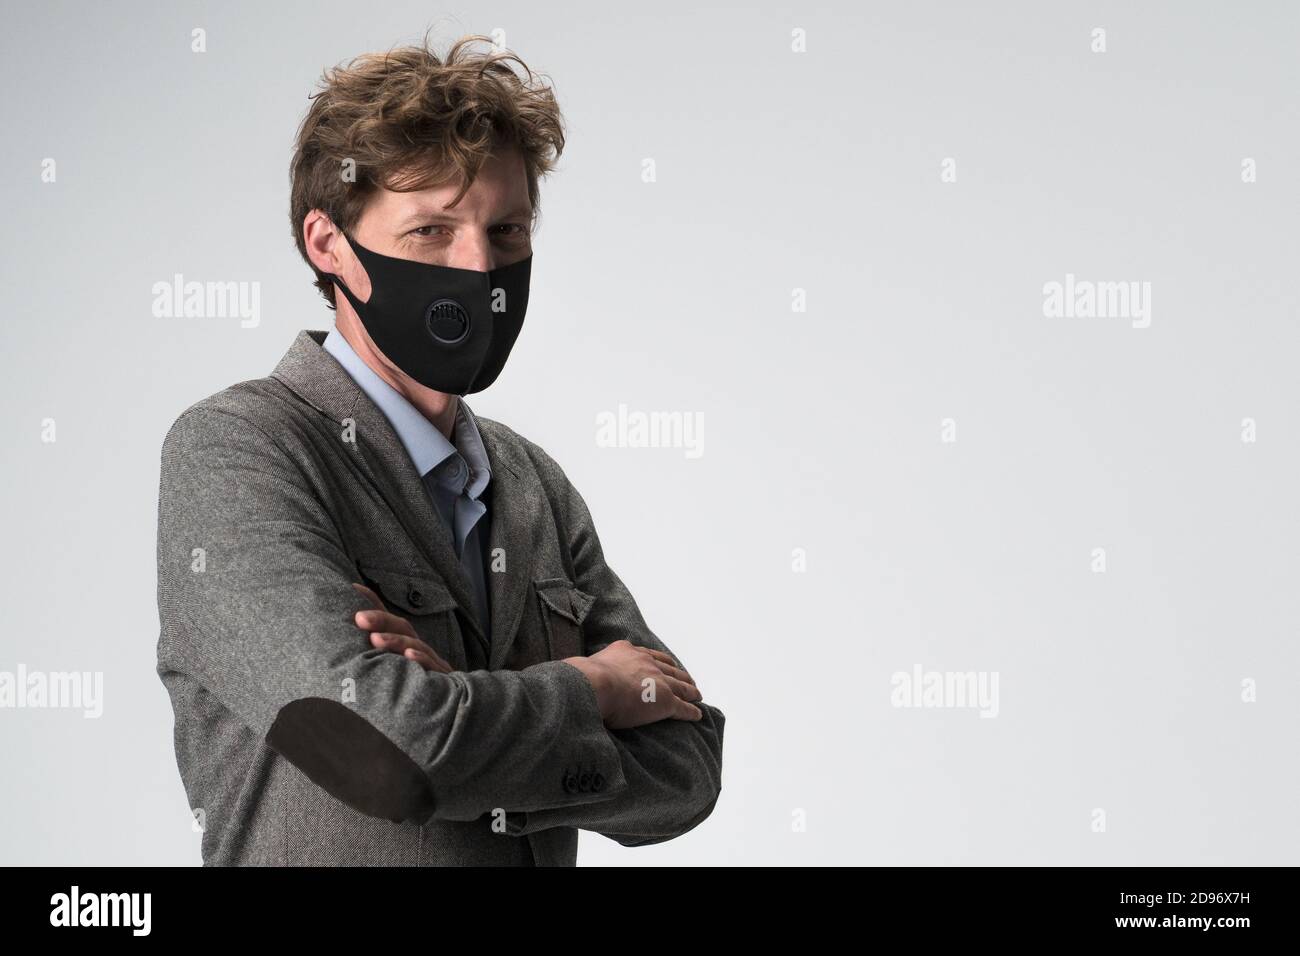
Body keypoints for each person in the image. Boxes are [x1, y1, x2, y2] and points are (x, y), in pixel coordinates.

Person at [154, 35, 725, 866]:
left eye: (508, 230)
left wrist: (458, 705)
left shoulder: (532, 483)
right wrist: (593, 689)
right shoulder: (239, 450)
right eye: (430, 231)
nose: (480, 266)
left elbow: (689, 771)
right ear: (328, 244)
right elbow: (387, 748)